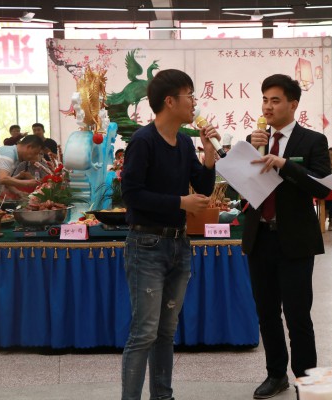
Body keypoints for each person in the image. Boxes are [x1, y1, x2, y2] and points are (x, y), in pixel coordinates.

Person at [120, 69, 220, 400]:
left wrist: (208, 155)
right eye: (190, 95)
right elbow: (131, 194)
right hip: (146, 244)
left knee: (166, 331)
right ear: (169, 101)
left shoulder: (184, 143)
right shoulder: (143, 141)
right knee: (144, 332)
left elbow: (202, 187)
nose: (194, 102)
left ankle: (163, 396)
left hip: (178, 243)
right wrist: (180, 202)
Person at [244, 74, 330, 399]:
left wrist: (285, 165)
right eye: (265, 100)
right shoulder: (254, 139)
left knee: (297, 316)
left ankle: (306, 381)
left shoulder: (313, 141)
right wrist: (246, 154)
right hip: (260, 237)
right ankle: (276, 374)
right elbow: (243, 186)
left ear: (293, 104)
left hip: (294, 240)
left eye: (275, 100)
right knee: (266, 313)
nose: (267, 106)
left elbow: (322, 185)